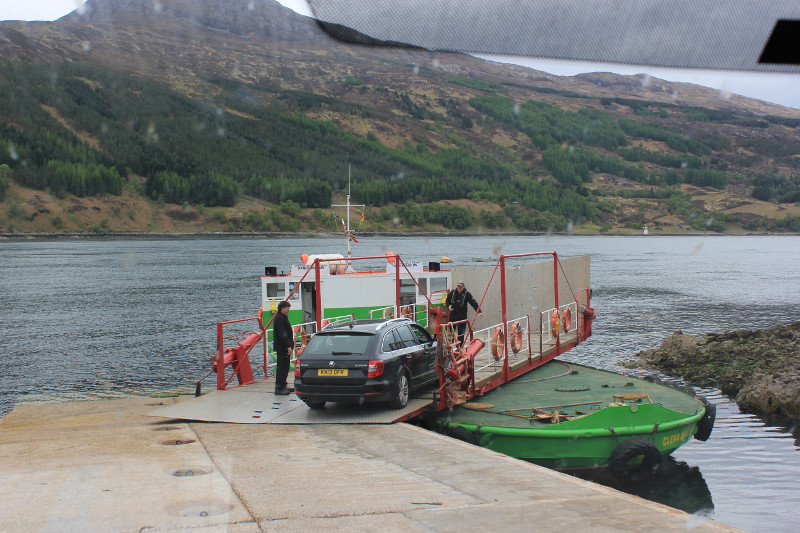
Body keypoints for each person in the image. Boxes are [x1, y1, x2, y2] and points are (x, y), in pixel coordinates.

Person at [445, 281, 483, 346]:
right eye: (458, 286)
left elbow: (473, 302)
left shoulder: (467, 294)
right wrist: (448, 306)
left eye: (460, 286)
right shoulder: (452, 293)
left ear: (463, 287)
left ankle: (460, 347)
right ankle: (449, 347)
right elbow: (447, 301)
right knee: (450, 333)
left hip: (462, 317)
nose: (458, 288)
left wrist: (479, 311)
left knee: (461, 333)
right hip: (453, 316)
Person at [272, 301, 294, 395]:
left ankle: (283, 385)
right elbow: (282, 334)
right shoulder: (279, 319)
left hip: (284, 346)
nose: (288, 310)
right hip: (282, 347)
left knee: (286, 366)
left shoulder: (283, 317)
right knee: (282, 366)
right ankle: (279, 388)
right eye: (287, 308)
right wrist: (288, 346)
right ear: (282, 309)